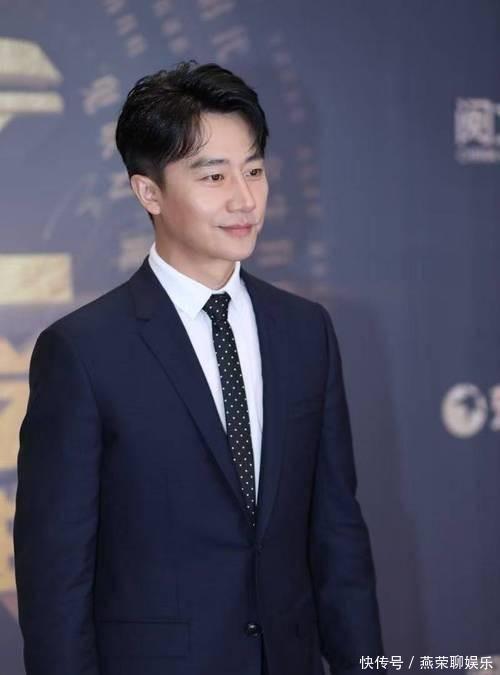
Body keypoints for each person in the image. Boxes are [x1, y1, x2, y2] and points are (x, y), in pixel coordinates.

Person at [13, 60, 384, 675]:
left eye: (254, 170)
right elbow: (56, 577)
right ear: (149, 192)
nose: (245, 199)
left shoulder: (305, 331)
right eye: (214, 176)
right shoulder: (82, 352)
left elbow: (337, 535)